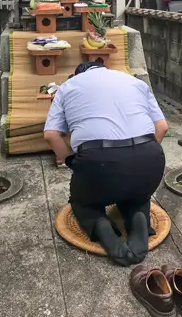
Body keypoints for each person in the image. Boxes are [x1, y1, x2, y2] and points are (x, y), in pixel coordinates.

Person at [43, 62, 169, 266]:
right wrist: (139, 157)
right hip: (150, 159)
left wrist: (73, 162)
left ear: (78, 74)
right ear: (105, 68)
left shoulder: (69, 86)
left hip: (98, 163)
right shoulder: (135, 82)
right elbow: (162, 127)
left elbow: (51, 135)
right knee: (137, 197)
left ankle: (100, 224)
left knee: (83, 202)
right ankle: (138, 217)